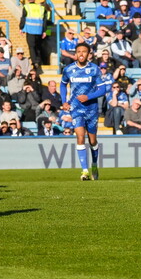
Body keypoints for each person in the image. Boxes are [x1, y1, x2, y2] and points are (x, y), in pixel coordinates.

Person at [60, 43, 109, 181]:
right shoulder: (69, 69)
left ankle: (94, 165)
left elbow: (102, 90)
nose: (81, 54)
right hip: (76, 108)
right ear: (75, 54)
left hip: (91, 109)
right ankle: (85, 171)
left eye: (84, 52)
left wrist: (88, 97)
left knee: (92, 141)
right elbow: (63, 84)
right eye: (79, 51)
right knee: (80, 136)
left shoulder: (94, 70)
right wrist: (64, 101)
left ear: (89, 54)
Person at [20, 0, 48, 71]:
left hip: (30, 30)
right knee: (38, 46)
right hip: (39, 30)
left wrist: (21, 28)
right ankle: (39, 61)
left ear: (28, 0)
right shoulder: (41, 8)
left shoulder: (26, 7)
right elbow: (44, 20)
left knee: (31, 46)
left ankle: (34, 62)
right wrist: (44, 31)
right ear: (34, 0)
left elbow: (23, 18)